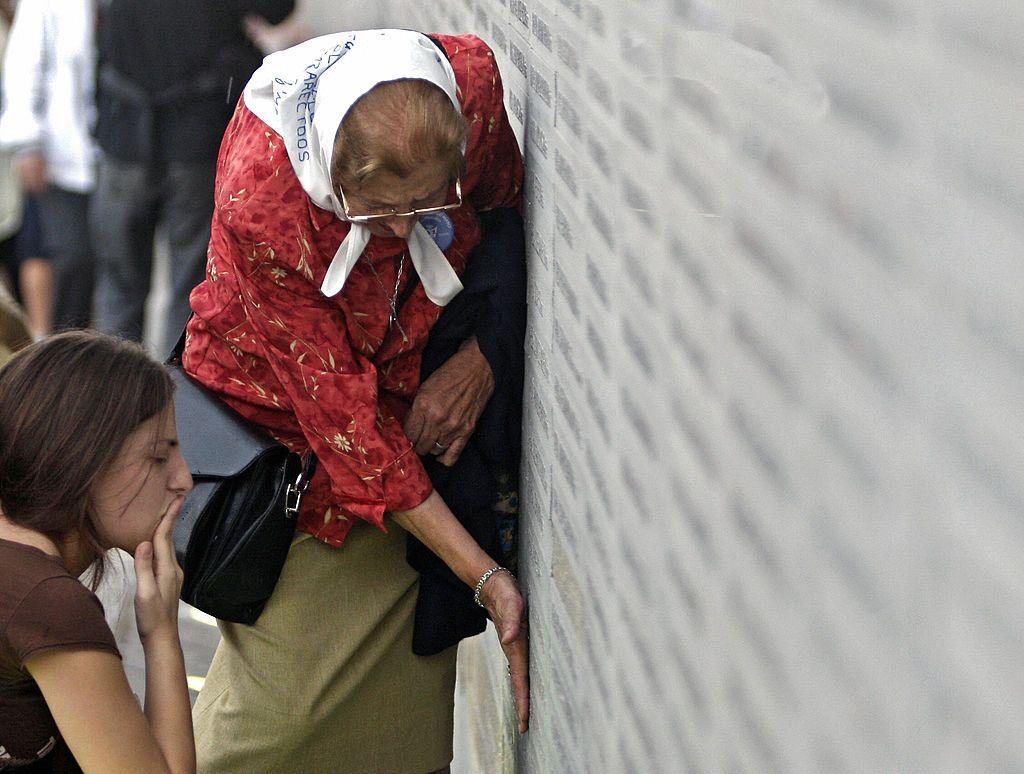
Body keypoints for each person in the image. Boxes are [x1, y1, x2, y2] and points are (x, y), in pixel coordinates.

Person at [183, 29, 528, 772]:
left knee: (400, 718)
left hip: (410, 409)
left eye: (426, 203)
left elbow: (503, 215)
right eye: (379, 212)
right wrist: (489, 581)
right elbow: (351, 433)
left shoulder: (472, 89)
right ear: (333, 176)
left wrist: (483, 355)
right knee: (276, 719)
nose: (404, 229)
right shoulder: (264, 198)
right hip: (287, 433)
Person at [0, 331, 195, 773]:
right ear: (82, 458)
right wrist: (162, 633)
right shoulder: (46, 600)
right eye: (158, 457)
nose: (184, 479)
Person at [90, 0, 294, 356]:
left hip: (128, 133)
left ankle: (114, 398)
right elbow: (279, 9)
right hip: (190, 137)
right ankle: (173, 398)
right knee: (188, 285)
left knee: (122, 285)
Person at [0, 0, 97, 334]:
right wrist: (28, 144)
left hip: (109, 155)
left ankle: (87, 347)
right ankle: (53, 346)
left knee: (99, 263)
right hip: (59, 158)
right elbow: (23, 68)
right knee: (65, 256)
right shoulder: (43, 5)